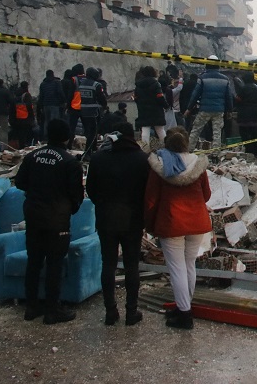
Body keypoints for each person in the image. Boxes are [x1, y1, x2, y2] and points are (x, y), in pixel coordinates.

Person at [15, 118, 84, 324]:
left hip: (33, 215)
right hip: (57, 218)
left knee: (34, 261)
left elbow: (20, 182)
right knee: (54, 263)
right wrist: (70, 208)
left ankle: (32, 306)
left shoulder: (32, 156)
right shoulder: (70, 162)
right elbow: (77, 194)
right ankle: (53, 308)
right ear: (66, 137)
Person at [144, 127, 211, 330]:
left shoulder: (160, 167)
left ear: (167, 145)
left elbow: (150, 199)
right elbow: (206, 195)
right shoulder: (198, 165)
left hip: (171, 222)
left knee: (177, 269)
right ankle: (185, 306)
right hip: (197, 222)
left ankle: (184, 314)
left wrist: (148, 224)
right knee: (189, 265)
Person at [86, 122, 150, 327]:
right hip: (132, 218)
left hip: (106, 217)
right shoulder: (143, 159)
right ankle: (131, 312)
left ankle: (110, 311)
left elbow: (91, 190)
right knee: (132, 265)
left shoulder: (98, 159)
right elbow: (147, 192)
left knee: (108, 264)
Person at [185, 56, 234, 151]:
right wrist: (229, 111)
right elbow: (229, 97)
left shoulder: (202, 78)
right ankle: (215, 154)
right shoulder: (225, 79)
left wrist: (189, 108)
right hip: (219, 110)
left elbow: (195, 95)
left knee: (196, 130)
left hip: (204, 109)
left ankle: (189, 151)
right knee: (217, 133)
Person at [135, 66, 168, 149]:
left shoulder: (138, 85)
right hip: (156, 110)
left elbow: (136, 98)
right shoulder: (156, 83)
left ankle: (145, 149)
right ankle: (166, 147)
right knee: (160, 130)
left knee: (145, 130)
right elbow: (160, 97)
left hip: (143, 110)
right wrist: (166, 105)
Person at [77, 67, 107, 156]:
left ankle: (91, 149)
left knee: (87, 131)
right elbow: (101, 98)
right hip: (93, 112)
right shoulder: (96, 85)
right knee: (93, 132)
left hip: (82, 112)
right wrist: (104, 106)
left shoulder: (80, 84)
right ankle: (89, 151)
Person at [235, 72, 257, 157]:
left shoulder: (243, 88)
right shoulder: (256, 88)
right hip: (255, 115)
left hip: (244, 115)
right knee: (255, 134)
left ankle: (249, 152)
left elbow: (238, 99)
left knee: (245, 134)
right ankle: (256, 152)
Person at [37, 70, 65, 140]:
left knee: (47, 121)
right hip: (55, 104)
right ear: (53, 74)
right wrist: (63, 101)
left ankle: (47, 137)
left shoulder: (43, 84)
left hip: (46, 105)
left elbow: (41, 96)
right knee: (55, 121)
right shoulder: (57, 82)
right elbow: (60, 92)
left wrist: (41, 106)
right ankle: (55, 137)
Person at [11, 81, 35, 148]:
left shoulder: (16, 93)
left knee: (20, 133)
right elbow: (29, 107)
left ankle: (20, 145)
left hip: (17, 116)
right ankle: (25, 145)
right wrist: (32, 117)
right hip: (25, 116)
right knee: (26, 132)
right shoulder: (26, 94)